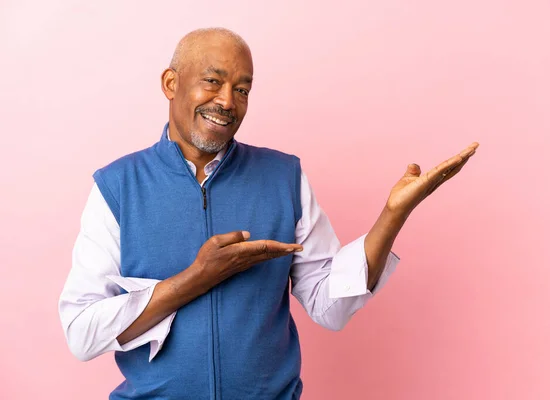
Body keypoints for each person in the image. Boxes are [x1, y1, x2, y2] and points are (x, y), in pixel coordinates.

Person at [58, 27, 478, 400]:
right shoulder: (117, 187)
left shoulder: (284, 177)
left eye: (242, 89)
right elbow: (81, 333)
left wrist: (392, 215)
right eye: (212, 81)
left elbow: (329, 308)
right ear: (171, 83)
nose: (227, 102)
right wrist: (196, 278)